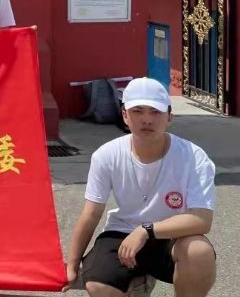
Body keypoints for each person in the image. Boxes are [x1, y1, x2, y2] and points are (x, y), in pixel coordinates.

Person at [65, 77, 217, 297]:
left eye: (155, 112)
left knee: (199, 252)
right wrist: (72, 265)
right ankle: (136, 281)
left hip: (171, 236)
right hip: (122, 233)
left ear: (170, 117)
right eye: (137, 111)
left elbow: (201, 220)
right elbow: (91, 213)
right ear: (125, 116)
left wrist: (145, 230)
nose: (147, 119)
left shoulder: (194, 157)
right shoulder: (106, 155)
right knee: (99, 286)